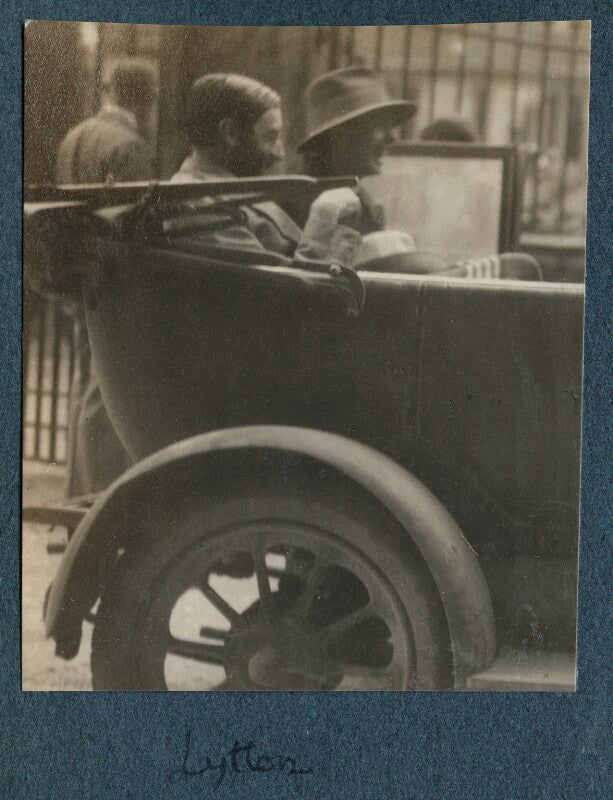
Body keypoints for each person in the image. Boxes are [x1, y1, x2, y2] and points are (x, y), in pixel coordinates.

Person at [57, 58, 159, 497]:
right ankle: (99, 500)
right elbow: (137, 224)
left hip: (74, 277)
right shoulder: (130, 146)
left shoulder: (74, 137)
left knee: (86, 384)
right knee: (108, 392)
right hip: (113, 280)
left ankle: (78, 497)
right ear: (145, 99)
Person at [170, 73, 362, 266]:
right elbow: (279, 292)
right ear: (230, 132)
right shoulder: (198, 205)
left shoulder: (225, 192)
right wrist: (325, 218)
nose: (279, 154)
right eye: (271, 137)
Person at [294, 67, 417, 233]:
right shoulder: (304, 206)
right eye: (378, 126)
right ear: (340, 134)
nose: (391, 139)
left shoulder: (353, 196)